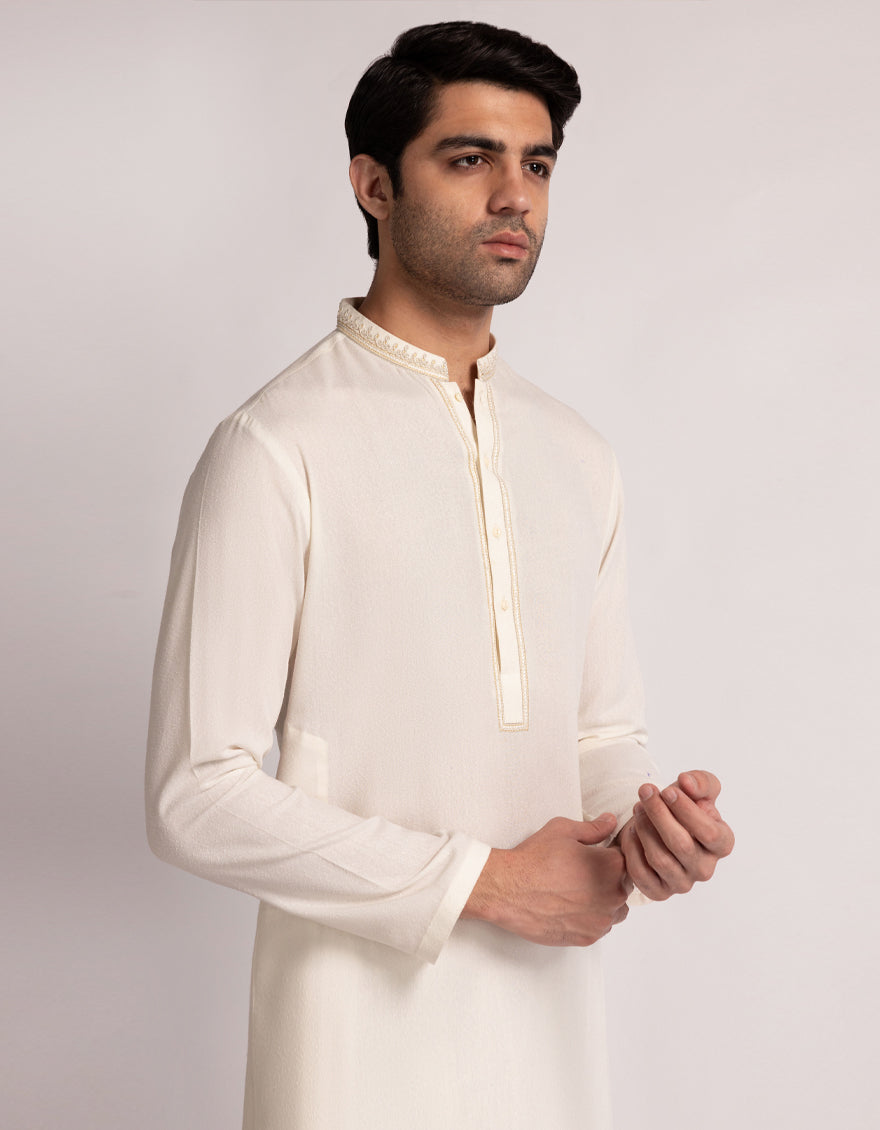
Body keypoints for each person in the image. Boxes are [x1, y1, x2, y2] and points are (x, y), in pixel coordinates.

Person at [146, 20, 733, 1130]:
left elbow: (600, 734)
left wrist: (646, 828)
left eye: (537, 164)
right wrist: (486, 882)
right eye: (470, 158)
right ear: (374, 185)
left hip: (549, 1037)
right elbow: (195, 793)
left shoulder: (576, 455)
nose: (514, 195)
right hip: (349, 1048)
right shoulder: (275, 445)